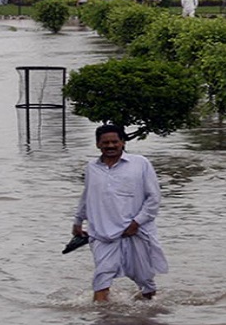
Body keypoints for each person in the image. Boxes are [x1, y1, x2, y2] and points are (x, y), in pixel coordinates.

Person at [72, 124, 168, 302]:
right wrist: (78, 222)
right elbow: (87, 196)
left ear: (123, 142)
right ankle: (101, 320)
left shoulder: (140, 164)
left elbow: (154, 197)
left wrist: (136, 223)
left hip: (136, 231)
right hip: (103, 233)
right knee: (102, 274)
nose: (110, 146)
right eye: (105, 142)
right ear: (97, 144)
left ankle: (148, 313)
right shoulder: (92, 167)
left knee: (144, 278)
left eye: (114, 142)